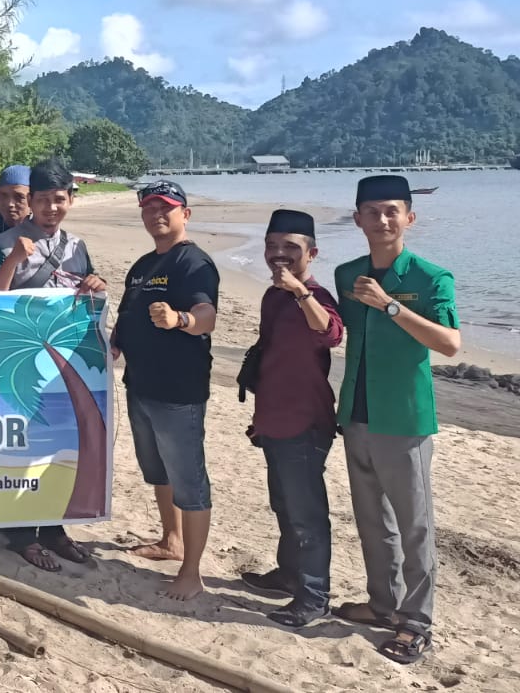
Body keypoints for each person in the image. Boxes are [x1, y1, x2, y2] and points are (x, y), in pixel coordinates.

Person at [331, 176, 459, 665]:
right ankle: (382, 603)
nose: (382, 220)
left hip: (404, 419)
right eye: (372, 211)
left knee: (414, 526)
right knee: (371, 520)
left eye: (391, 211)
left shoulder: (430, 278)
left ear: (409, 216)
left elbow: (449, 343)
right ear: (358, 217)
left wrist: (388, 306)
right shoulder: (347, 274)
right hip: (356, 413)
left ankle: (416, 621)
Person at [0, 161, 104, 570]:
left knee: (60, 448)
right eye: (42, 200)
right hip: (21, 364)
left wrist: (95, 286)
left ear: (70, 199)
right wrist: (15, 259)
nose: (51, 207)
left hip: (65, 367)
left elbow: (84, 296)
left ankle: (53, 530)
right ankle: (21, 536)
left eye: (59, 199)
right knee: (21, 447)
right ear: (29, 201)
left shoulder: (77, 246)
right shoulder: (3, 243)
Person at [111, 180, 219, 601]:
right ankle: (171, 540)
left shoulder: (195, 263)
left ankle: (192, 571)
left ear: (185, 214)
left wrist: (182, 321)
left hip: (178, 393)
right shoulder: (141, 265)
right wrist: (116, 341)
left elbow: (207, 314)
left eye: (166, 208)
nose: (157, 214)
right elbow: (126, 315)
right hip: (139, 385)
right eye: (149, 208)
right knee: (157, 472)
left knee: (189, 481)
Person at [238, 209, 343, 628]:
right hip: (274, 419)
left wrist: (301, 291)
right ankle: (289, 575)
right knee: (283, 504)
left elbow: (331, 333)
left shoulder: (316, 295)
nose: (278, 254)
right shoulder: (271, 296)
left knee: (307, 513)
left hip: (306, 421)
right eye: (271, 246)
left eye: (290, 248)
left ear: (311, 253)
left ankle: (315, 597)